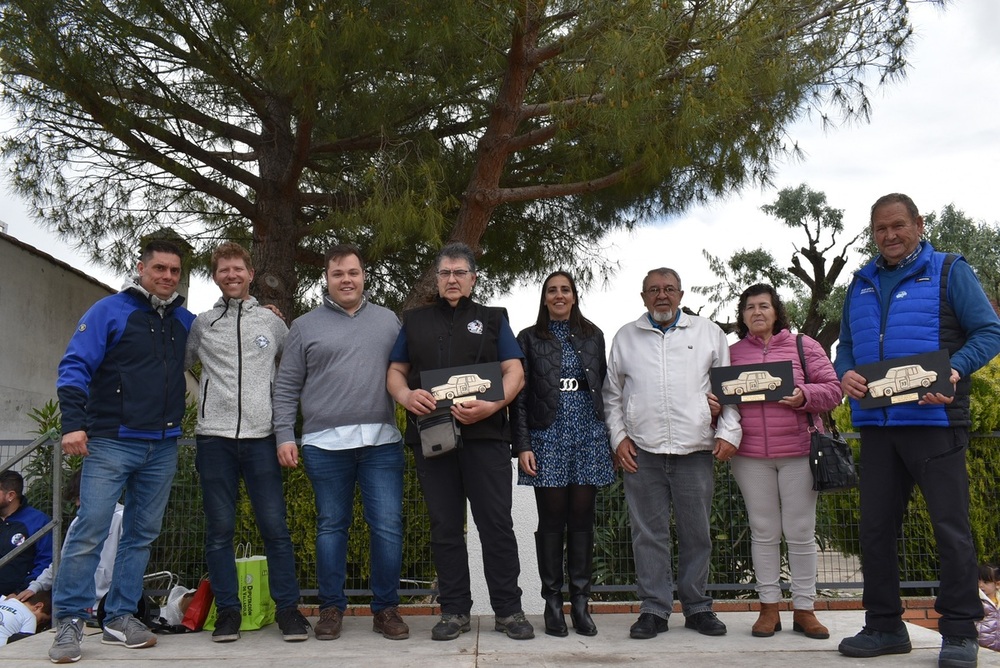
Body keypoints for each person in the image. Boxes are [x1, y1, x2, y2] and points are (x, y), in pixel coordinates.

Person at [835, 193, 1000, 668]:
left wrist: (955, 369)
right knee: (875, 531)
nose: (890, 235)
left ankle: (959, 632)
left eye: (898, 225)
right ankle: (885, 626)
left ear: (918, 224)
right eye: (881, 228)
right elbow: (846, 346)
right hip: (877, 426)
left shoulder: (950, 270)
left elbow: (989, 332)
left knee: (951, 530)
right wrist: (845, 372)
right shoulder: (860, 283)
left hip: (935, 422)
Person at [50, 239, 195, 664]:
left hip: (163, 446)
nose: (167, 276)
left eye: (174, 271)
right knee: (89, 529)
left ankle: (119, 617)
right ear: (140, 268)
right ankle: (70, 622)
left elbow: (223, 342)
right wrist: (73, 424)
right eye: (159, 268)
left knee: (140, 536)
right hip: (111, 440)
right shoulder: (108, 311)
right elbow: (74, 365)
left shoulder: (185, 320)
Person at [386, 242, 532, 641]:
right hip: (432, 438)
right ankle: (454, 611)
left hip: (485, 437)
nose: (452, 279)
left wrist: (493, 404)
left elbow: (514, 370)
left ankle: (509, 611)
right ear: (436, 280)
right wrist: (405, 396)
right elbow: (396, 373)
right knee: (445, 527)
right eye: (445, 273)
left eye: (459, 273)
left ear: (473, 279)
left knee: (496, 526)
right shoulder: (413, 321)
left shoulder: (493, 318)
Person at [272, 244, 409, 641]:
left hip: (382, 443)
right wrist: (285, 434)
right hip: (323, 445)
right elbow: (286, 386)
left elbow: (406, 371)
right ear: (327, 279)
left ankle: (386, 610)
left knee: (387, 527)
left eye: (353, 272)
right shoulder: (304, 326)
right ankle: (330, 608)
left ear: (364, 275)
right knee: (331, 527)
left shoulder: (388, 321)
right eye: (338, 274)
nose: (346, 279)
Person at [603, 267, 741, 640]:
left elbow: (727, 389)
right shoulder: (625, 337)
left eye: (668, 289)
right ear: (643, 296)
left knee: (697, 532)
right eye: (653, 290)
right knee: (648, 534)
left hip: (695, 449)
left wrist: (729, 431)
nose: (661, 296)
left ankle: (697, 608)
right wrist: (618, 439)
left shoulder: (708, 332)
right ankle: (653, 609)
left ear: (680, 294)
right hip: (642, 452)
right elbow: (612, 395)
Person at [185, 241, 310, 643]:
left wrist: (286, 424)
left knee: (275, 527)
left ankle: (289, 611)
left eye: (238, 269)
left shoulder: (272, 322)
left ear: (251, 273)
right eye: (224, 270)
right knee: (219, 531)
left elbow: (293, 369)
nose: (232, 275)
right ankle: (228, 614)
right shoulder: (202, 323)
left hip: (262, 439)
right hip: (213, 440)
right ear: (216, 276)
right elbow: (181, 363)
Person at [714, 284, 842, 639]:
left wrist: (805, 395)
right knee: (763, 530)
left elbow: (833, 390)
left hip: (800, 452)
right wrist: (712, 411)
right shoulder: (730, 353)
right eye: (750, 307)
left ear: (776, 311)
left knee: (801, 531)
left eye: (764, 306)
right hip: (750, 456)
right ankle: (768, 608)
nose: (757, 312)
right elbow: (719, 404)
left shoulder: (804, 346)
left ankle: (805, 610)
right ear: (742, 316)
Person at [511, 271, 615, 637]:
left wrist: (607, 435)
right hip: (547, 436)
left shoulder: (593, 334)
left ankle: (581, 603)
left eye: (565, 290)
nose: (558, 295)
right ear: (544, 298)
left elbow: (603, 385)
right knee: (552, 520)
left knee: (583, 519)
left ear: (574, 296)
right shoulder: (527, 338)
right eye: (552, 290)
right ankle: (552, 602)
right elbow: (519, 398)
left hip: (588, 434)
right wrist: (522, 444)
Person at [16, 470, 122, 616]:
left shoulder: (122, 519)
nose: (77, 504)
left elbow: (128, 567)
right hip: (79, 607)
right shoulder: (78, 522)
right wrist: (35, 586)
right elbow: (62, 562)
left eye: (79, 497)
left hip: (110, 609)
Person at [0, 471, 53, 596]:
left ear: (10, 495)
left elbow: (46, 560)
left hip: (20, 598)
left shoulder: (38, 521)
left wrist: (23, 591)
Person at [977, 564, 998, 652]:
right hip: (982, 645)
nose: (981, 585)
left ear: (997, 584)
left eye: (986, 582)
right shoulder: (976, 600)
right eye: (978, 581)